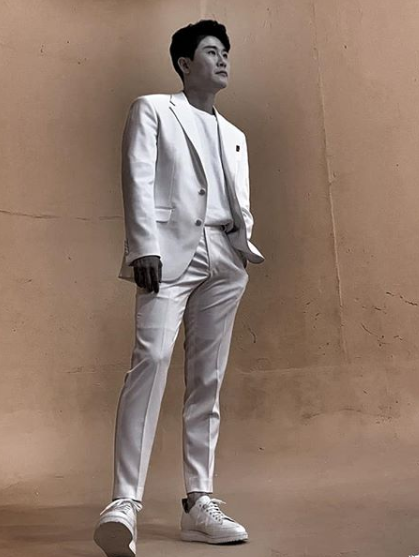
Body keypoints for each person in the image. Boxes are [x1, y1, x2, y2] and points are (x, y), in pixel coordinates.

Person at [93, 19, 264, 557]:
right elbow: (138, 175)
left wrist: (242, 245)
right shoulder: (153, 109)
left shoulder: (234, 134)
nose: (223, 59)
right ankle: (124, 503)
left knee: (207, 380)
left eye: (226, 52)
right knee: (150, 362)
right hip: (167, 253)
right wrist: (142, 245)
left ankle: (198, 503)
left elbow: (237, 197)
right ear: (185, 64)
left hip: (225, 258)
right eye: (211, 51)